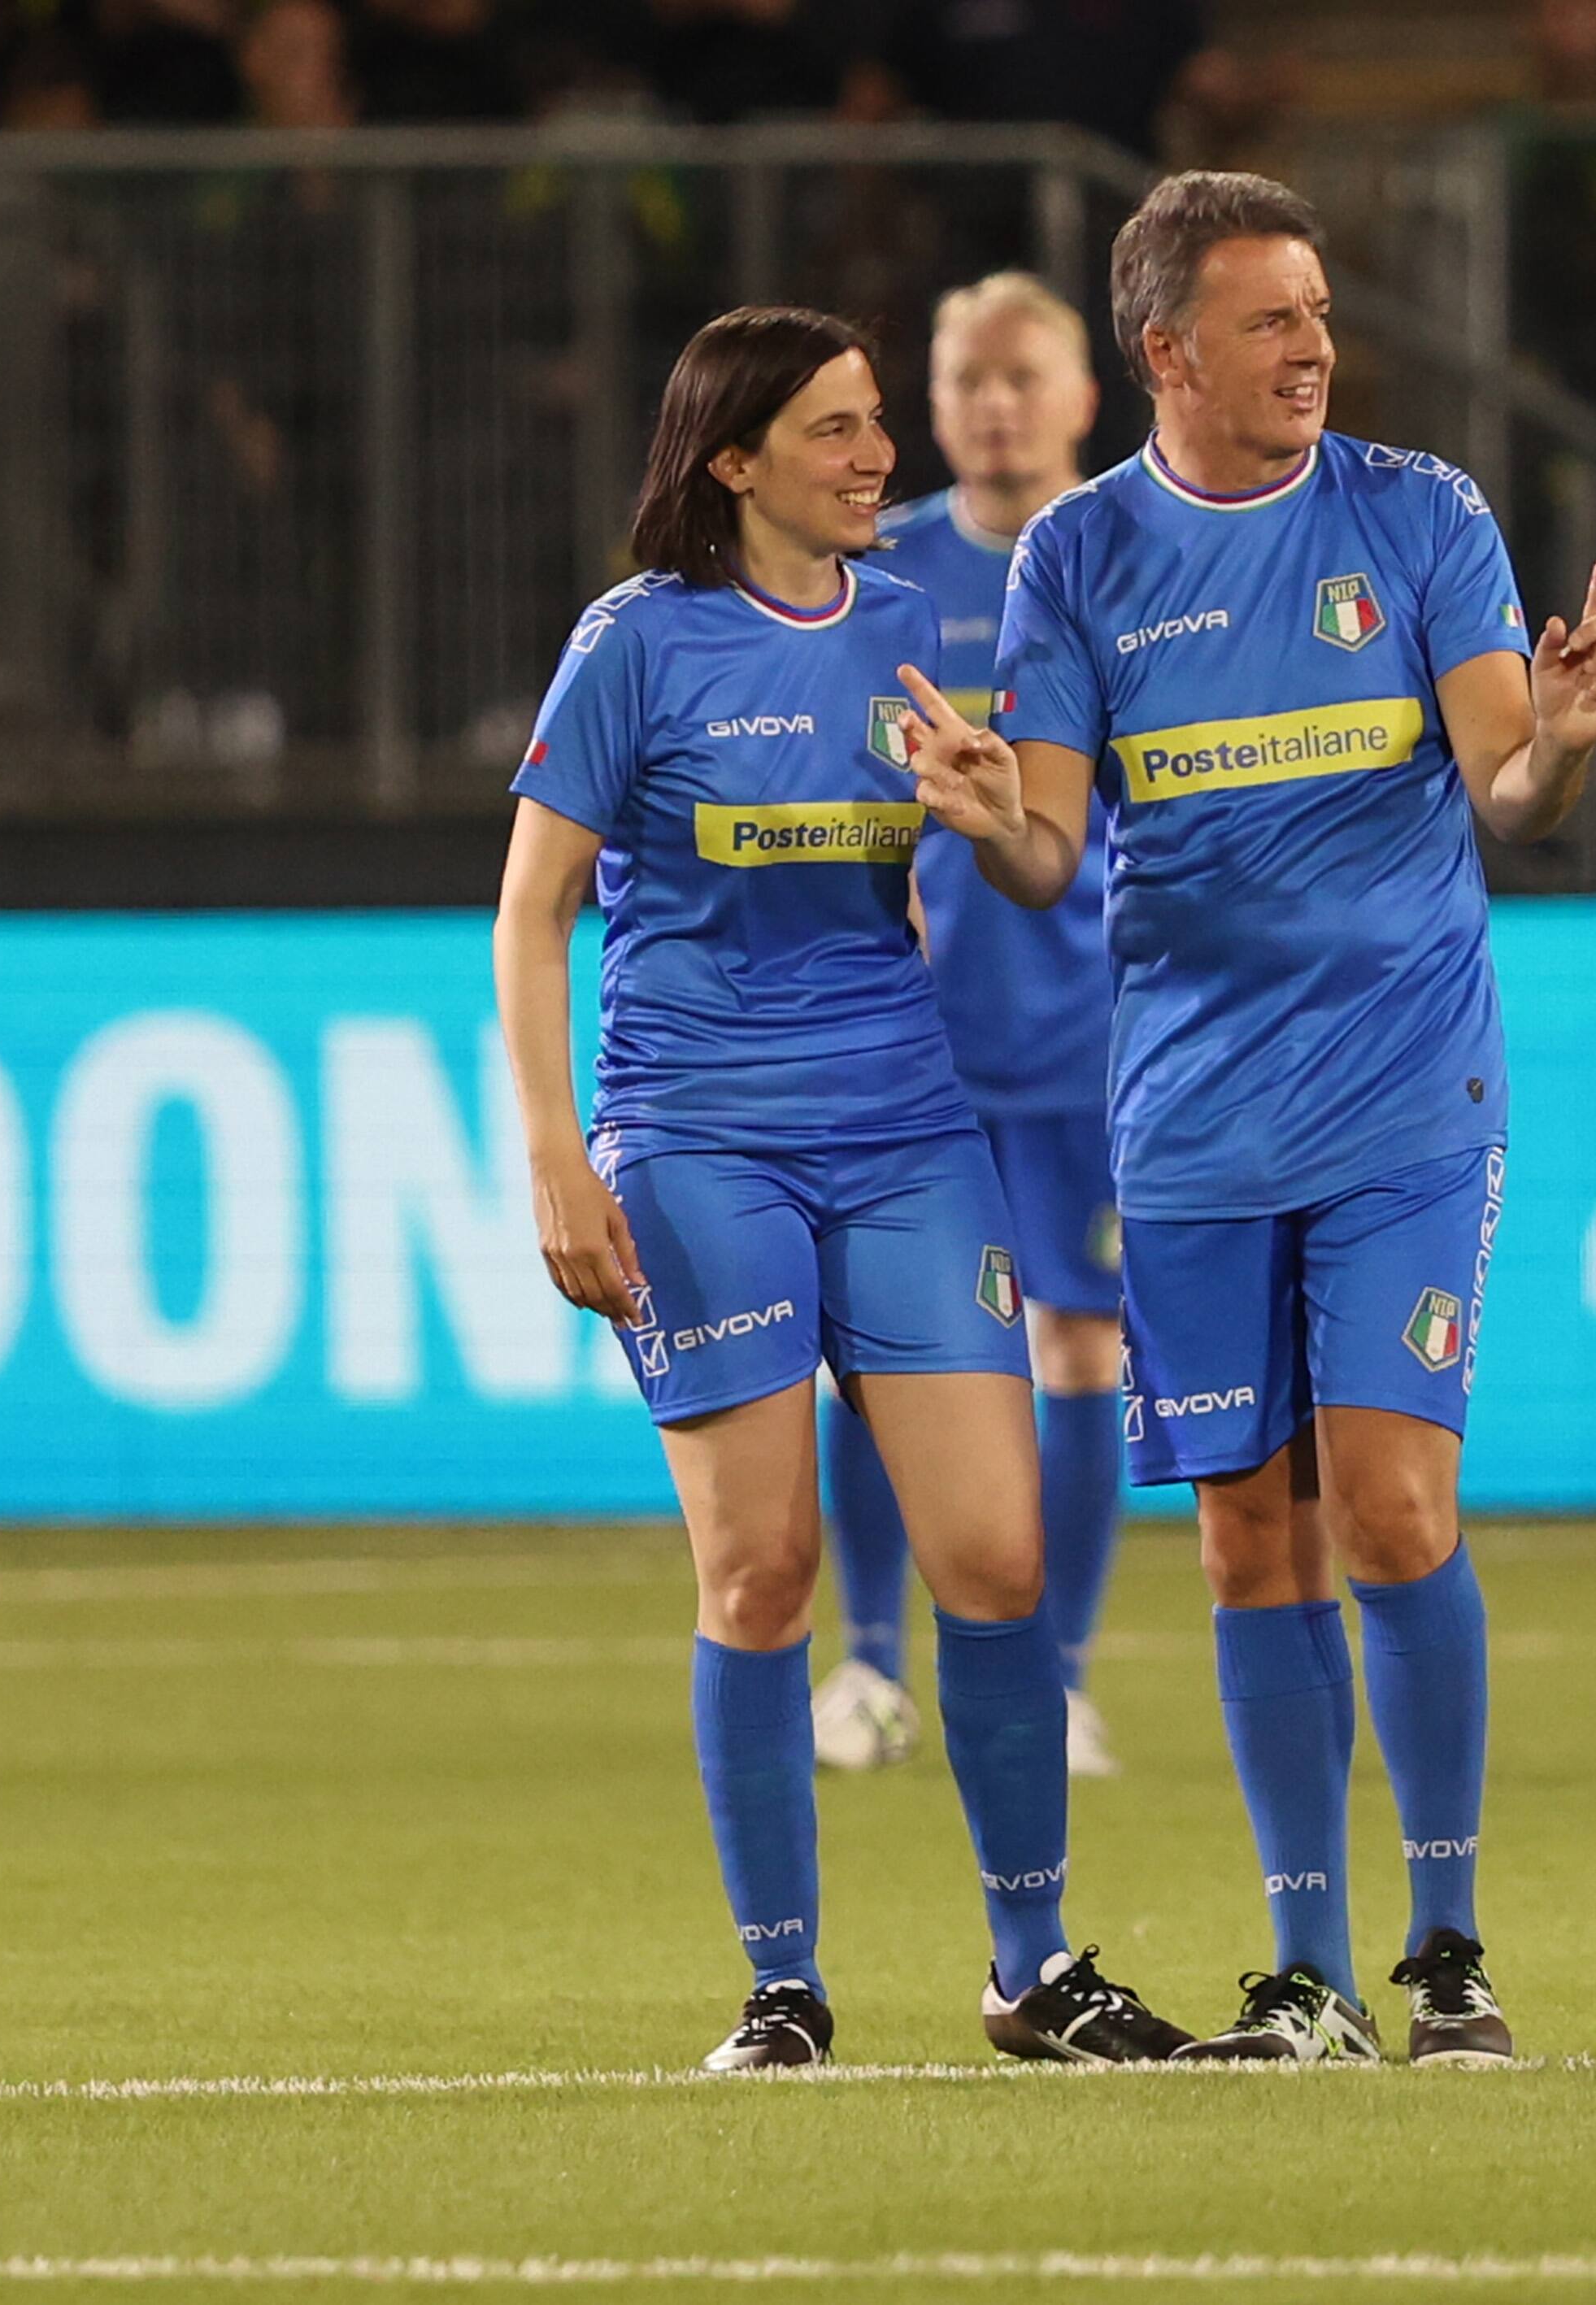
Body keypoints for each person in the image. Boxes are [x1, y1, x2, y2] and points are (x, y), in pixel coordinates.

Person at [898, 169, 1596, 2066]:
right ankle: (1303, 1968)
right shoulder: (1078, 557)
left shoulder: (1415, 516)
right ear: (1165, 350)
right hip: (1196, 1116)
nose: (1313, 345)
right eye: (1270, 318)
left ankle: (1447, 1942)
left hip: (1405, 1091)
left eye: (1318, 313)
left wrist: (1552, 735)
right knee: (1247, 1536)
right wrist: (989, 822)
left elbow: (1503, 788)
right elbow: (1056, 841)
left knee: (1392, 1506)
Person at [493, 305, 1188, 2074]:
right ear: (733, 460)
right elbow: (530, 909)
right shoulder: (633, 649)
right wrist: (560, 1157)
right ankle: (782, 1989)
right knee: (764, 1565)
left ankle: (1030, 1971)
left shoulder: (895, 625)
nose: (879, 455)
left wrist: (984, 817)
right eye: (836, 430)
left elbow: (1036, 867)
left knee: (996, 1554)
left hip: (903, 1125)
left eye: (880, 422)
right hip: (700, 1136)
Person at [811, 272, 1125, 1784]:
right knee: (878, 1355)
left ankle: (1054, 1677)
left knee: (1077, 1349)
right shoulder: (881, 577)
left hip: (1089, 1035)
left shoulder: (1130, 561)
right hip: (908, 1040)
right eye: (967, 381)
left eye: (1023, 377)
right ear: (935, 407)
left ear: (1080, 397)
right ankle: (870, 1664)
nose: (995, 406)